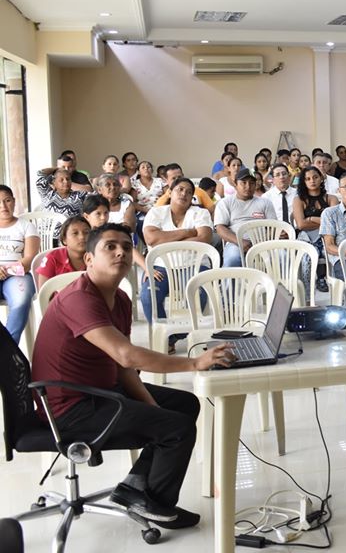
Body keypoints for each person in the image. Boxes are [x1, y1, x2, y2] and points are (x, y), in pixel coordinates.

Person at [30, 222, 233, 527]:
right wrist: (193, 364)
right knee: (177, 428)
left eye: (126, 247)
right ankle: (156, 505)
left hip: (101, 390)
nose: (121, 253)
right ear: (89, 259)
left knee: (184, 405)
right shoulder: (79, 298)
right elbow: (127, 354)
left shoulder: (121, 299)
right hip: (71, 408)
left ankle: (135, 489)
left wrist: (151, 407)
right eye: (110, 247)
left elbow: (121, 366)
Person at [142, 177, 214, 324]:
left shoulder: (200, 213)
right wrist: (187, 232)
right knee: (148, 297)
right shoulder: (156, 213)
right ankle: (165, 334)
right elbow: (151, 239)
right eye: (180, 189)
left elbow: (204, 239)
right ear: (169, 192)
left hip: (195, 265)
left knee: (197, 296)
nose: (184, 194)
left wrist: (164, 240)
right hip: (161, 267)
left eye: (189, 192)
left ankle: (183, 332)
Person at [214, 167, 277, 267]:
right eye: (243, 182)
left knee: (283, 256)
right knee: (232, 259)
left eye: (252, 183)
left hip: (262, 242)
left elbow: (273, 227)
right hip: (235, 243)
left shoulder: (265, 202)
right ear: (235, 184)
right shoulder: (225, 203)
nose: (248, 186)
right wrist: (240, 242)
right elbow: (220, 228)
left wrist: (262, 241)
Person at [0, 185, 38, 343]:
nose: (3, 206)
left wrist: (5, 270)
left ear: (14, 201)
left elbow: (29, 259)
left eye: (7, 200)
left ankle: (7, 349)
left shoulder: (26, 226)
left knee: (21, 300)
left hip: (18, 275)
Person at [292, 166, 335, 293]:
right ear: (304, 182)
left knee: (334, 255)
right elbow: (301, 225)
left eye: (315, 177)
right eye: (308, 179)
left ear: (321, 178)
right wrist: (323, 221)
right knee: (307, 257)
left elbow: (333, 223)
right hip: (306, 237)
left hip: (327, 236)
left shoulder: (331, 198)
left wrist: (311, 219)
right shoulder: (299, 200)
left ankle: (335, 289)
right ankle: (307, 294)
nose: (312, 181)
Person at [35, 217, 91, 288]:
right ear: (64, 239)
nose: (82, 237)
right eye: (75, 233)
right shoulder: (52, 258)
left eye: (86, 232)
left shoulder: (96, 257)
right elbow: (43, 291)